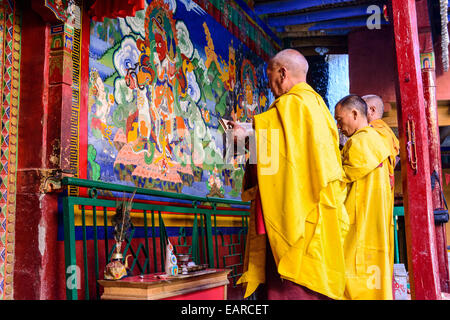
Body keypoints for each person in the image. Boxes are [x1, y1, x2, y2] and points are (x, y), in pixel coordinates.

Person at [235, 49, 349, 300]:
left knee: (289, 289)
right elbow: (292, 159)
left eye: (271, 77)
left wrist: (244, 139)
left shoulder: (290, 105)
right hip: (320, 215)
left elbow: (273, 163)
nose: (270, 86)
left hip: (295, 220)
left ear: (283, 73)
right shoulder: (319, 107)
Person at [334, 95, 394, 300]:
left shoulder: (360, 142)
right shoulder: (377, 140)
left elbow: (339, 181)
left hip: (360, 220)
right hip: (376, 221)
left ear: (354, 114)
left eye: (340, 120)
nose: (339, 126)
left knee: (352, 271)